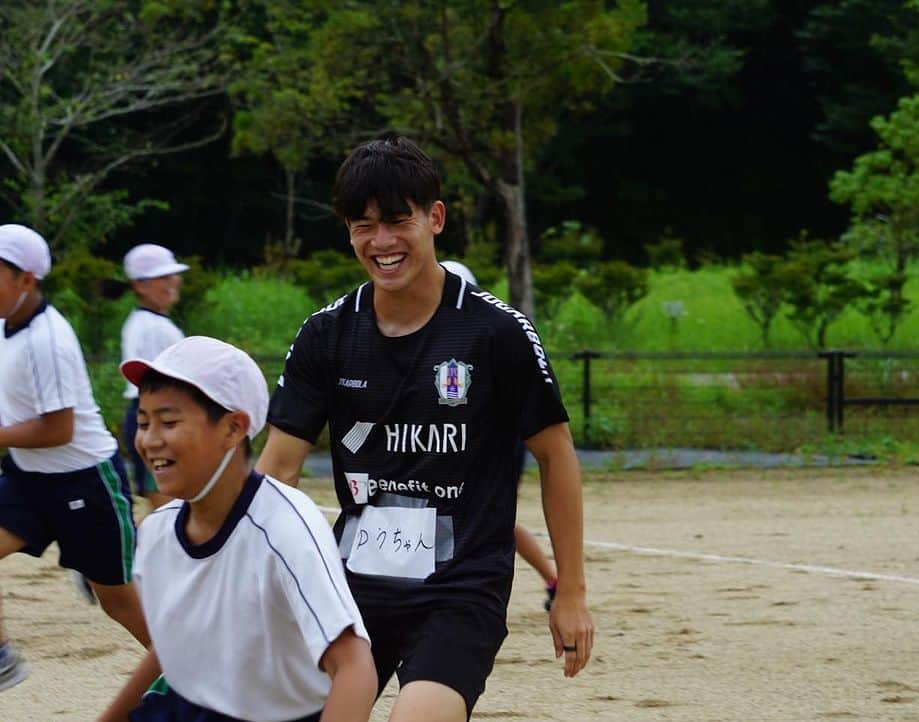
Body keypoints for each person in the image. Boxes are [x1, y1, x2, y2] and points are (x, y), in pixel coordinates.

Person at [256, 136, 594, 722]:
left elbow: (556, 454)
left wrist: (571, 592)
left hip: (462, 589)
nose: (381, 242)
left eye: (397, 221)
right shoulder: (327, 335)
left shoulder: (496, 334)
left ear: (434, 219)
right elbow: (276, 470)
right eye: (363, 225)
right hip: (353, 586)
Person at [100, 335, 377, 722]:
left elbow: (353, 666)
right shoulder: (159, 532)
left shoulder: (285, 527)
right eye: (143, 422)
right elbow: (172, 647)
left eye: (169, 421)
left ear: (233, 429)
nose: (149, 440)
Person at [0, 223, 149, 693]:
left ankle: (194, 671)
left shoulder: (50, 338)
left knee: (119, 603)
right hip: (27, 476)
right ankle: (2, 657)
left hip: (84, 481)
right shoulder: (4, 325)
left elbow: (58, 429)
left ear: (26, 279)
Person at [442, 260, 560, 609]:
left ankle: (555, 581)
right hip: (467, 441)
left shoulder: (489, 333)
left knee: (492, 517)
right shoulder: (438, 335)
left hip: (500, 441)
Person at [115, 244, 189, 510]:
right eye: (162, 277)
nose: (173, 282)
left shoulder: (146, 322)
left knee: (168, 509)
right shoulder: (152, 327)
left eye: (172, 275)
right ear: (139, 285)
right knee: (166, 510)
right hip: (156, 418)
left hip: (151, 417)